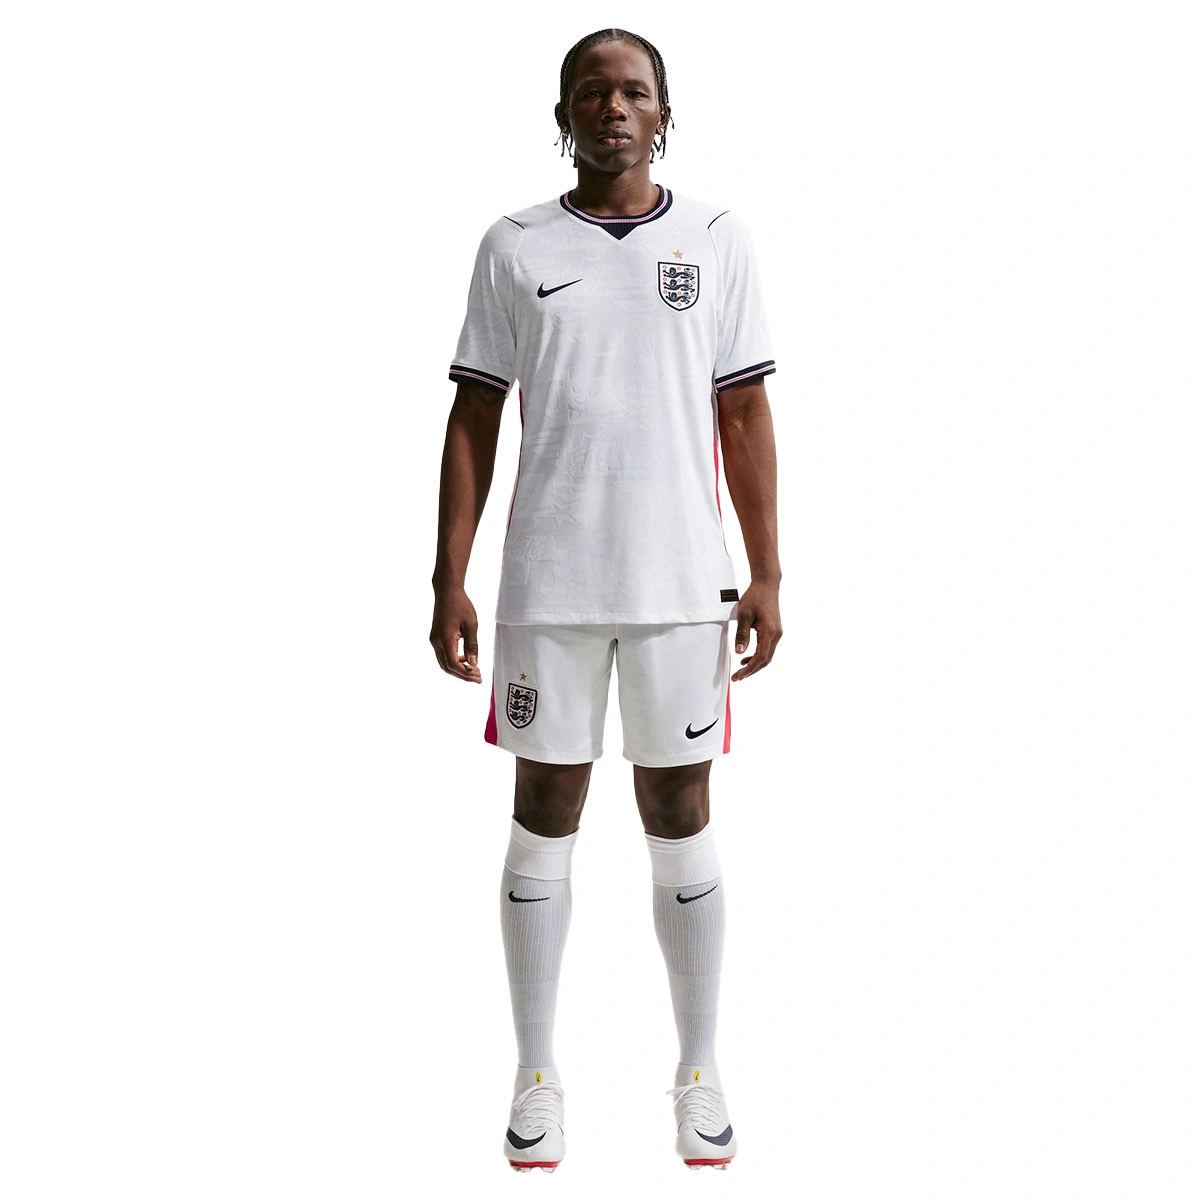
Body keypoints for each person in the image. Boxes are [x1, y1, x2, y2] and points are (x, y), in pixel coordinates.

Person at [430, 27, 782, 1173]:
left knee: (680, 811)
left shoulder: (716, 241)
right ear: (564, 116)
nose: (614, 108)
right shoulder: (514, 245)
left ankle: (700, 1070)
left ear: (664, 115)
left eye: (634, 92)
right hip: (551, 582)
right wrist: (447, 575)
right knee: (545, 808)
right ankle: (536, 1074)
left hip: (682, 582)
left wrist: (769, 571)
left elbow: (744, 414)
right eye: (592, 92)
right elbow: (474, 416)